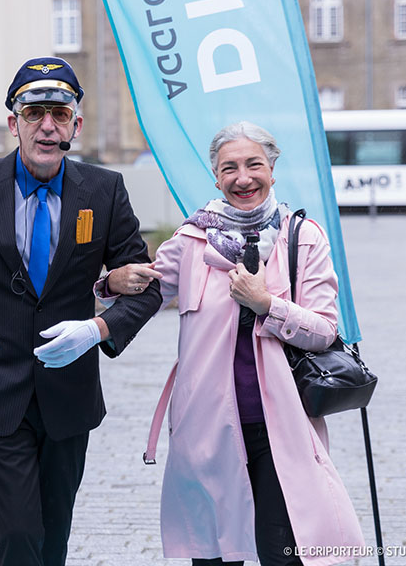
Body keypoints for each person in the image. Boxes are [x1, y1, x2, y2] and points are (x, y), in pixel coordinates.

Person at [0, 56, 161, 566]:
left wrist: (99, 328)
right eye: (34, 112)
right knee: (20, 535)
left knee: (53, 538)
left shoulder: (104, 191)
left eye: (60, 114)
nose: (47, 125)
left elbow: (146, 286)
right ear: (13, 122)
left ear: (76, 124)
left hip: (68, 398)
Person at [102, 122, 365, 565]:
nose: (243, 178)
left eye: (253, 165)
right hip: (207, 427)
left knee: (285, 553)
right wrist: (109, 282)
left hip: (282, 427)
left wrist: (266, 304)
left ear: (272, 169)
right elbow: (148, 291)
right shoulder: (191, 240)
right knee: (214, 556)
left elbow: (324, 329)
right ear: (216, 176)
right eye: (230, 168)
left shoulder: (303, 238)